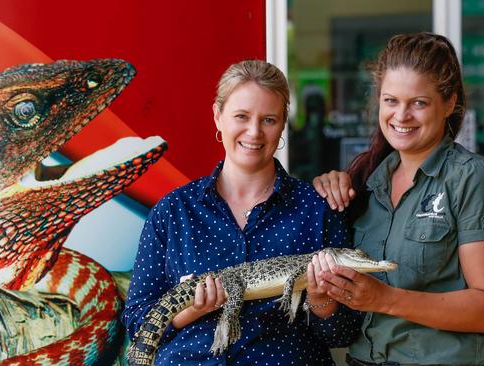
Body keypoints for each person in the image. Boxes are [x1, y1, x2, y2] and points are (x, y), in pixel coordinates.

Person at [122, 60, 362, 365]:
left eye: (268, 120)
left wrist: (321, 300)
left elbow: (345, 332)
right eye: (241, 116)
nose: (254, 132)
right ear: (218, 116)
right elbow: (136, 321)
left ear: (283, 123)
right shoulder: (173, 211)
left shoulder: (317, 209)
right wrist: (190, 310)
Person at [311, 32, 484, 365]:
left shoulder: (473, 179)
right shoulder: (368, 181)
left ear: (449, 103)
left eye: (419, 103)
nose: (401, 115)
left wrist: (386, 299)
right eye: (391, 100)